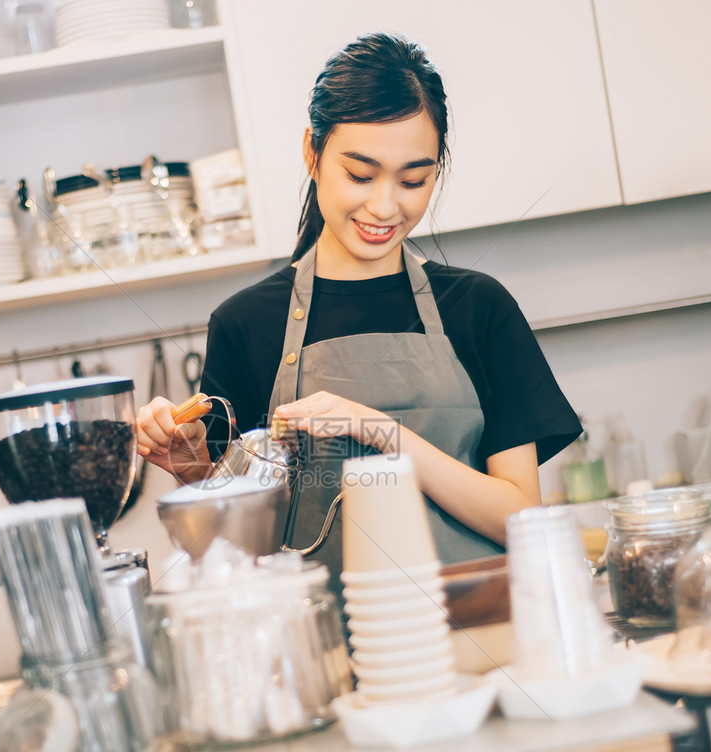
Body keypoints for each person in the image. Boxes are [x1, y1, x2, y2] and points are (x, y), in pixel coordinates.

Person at [136, 33, 581, 569]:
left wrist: (383, 433)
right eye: (361, 175)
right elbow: (234, 555)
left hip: (485, 636)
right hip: (329, 647)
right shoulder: (247, 324)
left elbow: (522, 522)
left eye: (413, 180)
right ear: (312, 152)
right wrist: (188, 468)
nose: (385, 205)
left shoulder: (479, 307)